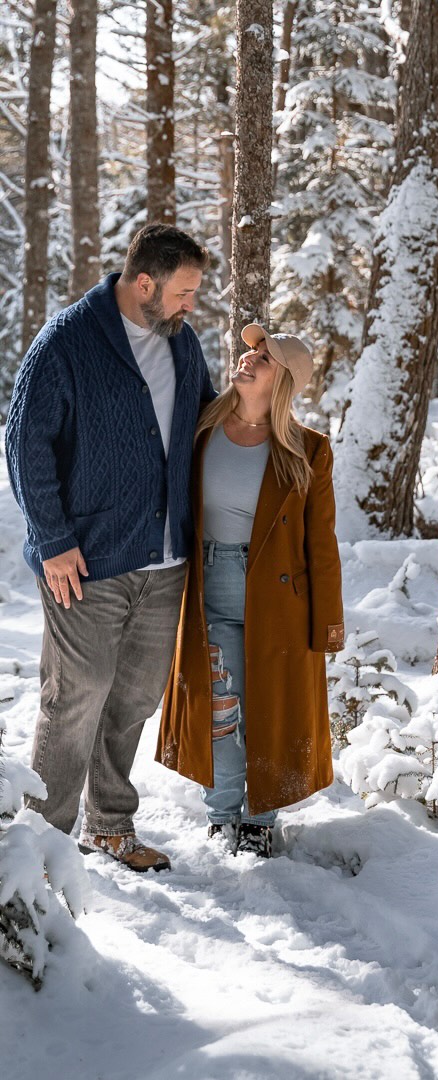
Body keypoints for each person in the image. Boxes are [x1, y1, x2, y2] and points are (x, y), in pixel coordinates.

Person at [5, 223, 216, 872]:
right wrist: (54, 540)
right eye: (184, 292)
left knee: (132, 700)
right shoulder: (68, 342)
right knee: (76, 698)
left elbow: (205, 422)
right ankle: (39, 857)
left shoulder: (183, 346)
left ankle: (111, 826)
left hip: (165, 562)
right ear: (145, 283)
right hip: (87, 562)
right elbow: (23, 443)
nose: (191, 306)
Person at [157, 323, 344, 858]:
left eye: (263, 357)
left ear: (282, 380)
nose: (247, 358)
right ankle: (221, 815)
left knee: (267, 708)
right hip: (207, 584)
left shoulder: (308, 451)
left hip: (277, 600)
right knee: (218, 705)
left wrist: (328, 624)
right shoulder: (199, 427)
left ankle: (261, 819)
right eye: (249, 350)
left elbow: (321, 544)